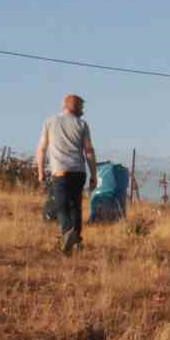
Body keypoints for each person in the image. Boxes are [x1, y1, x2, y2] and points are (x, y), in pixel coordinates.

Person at [35, 94, 98, 255]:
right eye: (82, 107)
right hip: (79, 172)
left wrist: (41, 172)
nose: (83, 111)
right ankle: (76, 242)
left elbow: (42, 149)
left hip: (60, 171)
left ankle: (67, 233)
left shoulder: (50, 122)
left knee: (61, 206)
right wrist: (94, 175)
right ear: (74, 106)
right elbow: (89, 151)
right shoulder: (82, 125)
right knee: (75, 206)